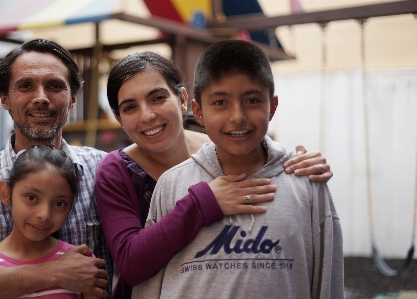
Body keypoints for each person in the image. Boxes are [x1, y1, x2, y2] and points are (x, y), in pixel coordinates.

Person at [94, 51, 334, 298]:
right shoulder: (117, 171)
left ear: (183, 99)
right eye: (130, 107)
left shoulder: (230, 144)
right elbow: (130, 263)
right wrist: (203, 203)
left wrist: (298, 164)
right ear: (118, 118)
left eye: (157, 97)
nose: (147, 115)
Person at [0, 39, 110, 299]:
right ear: (4, 98)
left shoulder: (103, 172)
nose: (41, 97)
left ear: (72, 99)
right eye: (25, 86)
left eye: (54, 86)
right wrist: (55, 273)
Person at [0, 145, 100, 299]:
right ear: (5, 193)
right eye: (31, 197)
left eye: (59, 204)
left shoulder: (82, 266)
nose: (44, 215)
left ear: (71, 205)